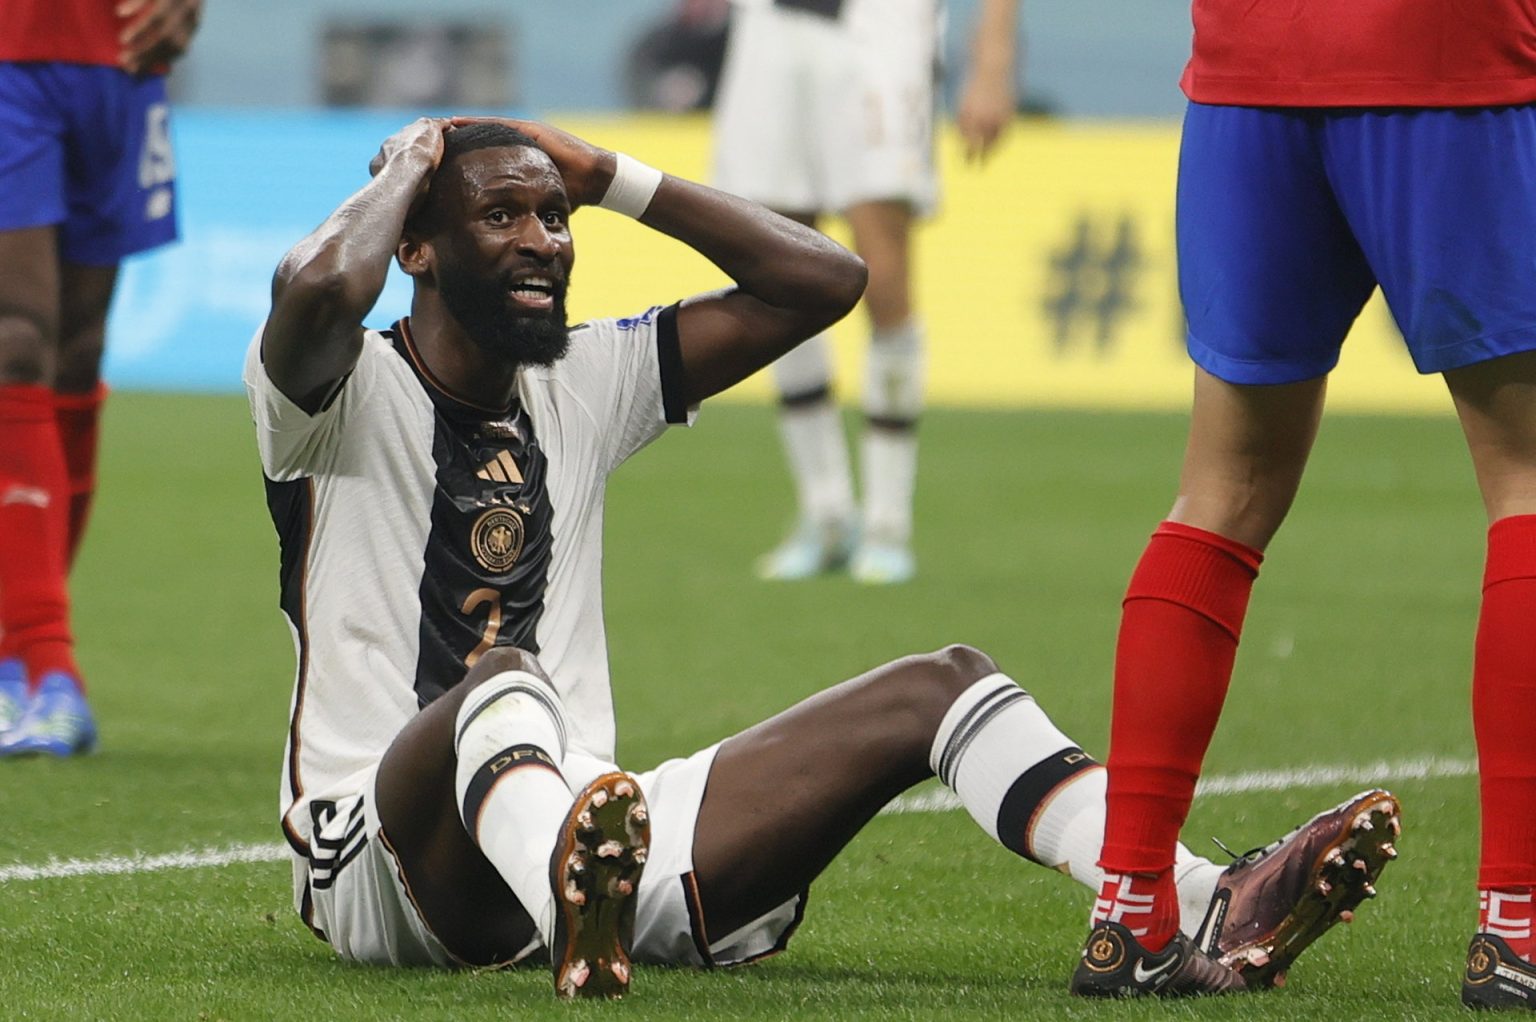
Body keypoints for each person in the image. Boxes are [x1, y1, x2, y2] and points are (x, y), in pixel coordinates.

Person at [247, 117, 1397, 1000]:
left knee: (942, 686)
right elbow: (315, 288)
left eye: (556, 216)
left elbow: (825, 282)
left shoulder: (583, 381)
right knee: (503, 682)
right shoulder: (334, 398)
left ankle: (1197, 897)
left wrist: (615, 177)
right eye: (503, 214)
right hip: (382, 860)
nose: (544, 240)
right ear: (418, 247)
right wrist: (409, 163)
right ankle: (571, 895)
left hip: (593, 827)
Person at [1071, 1, 1536, 1005]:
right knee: (1528, 477)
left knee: (1220, 491)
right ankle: (1517, 926)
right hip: (1447, 62)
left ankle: (1129, 910)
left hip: (1249, 76)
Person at [711, 0, 1020, 585]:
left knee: (882, 271)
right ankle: (824, 510)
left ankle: (887, 523)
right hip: (770, 24)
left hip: (878, 27)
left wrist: (993, 59)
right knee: (777, 270)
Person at [0, 0, 202, 757]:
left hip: (119, 56)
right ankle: (50, 666)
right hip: (10, 50)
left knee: (77, 354)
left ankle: (14, 665)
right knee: (16, 341)